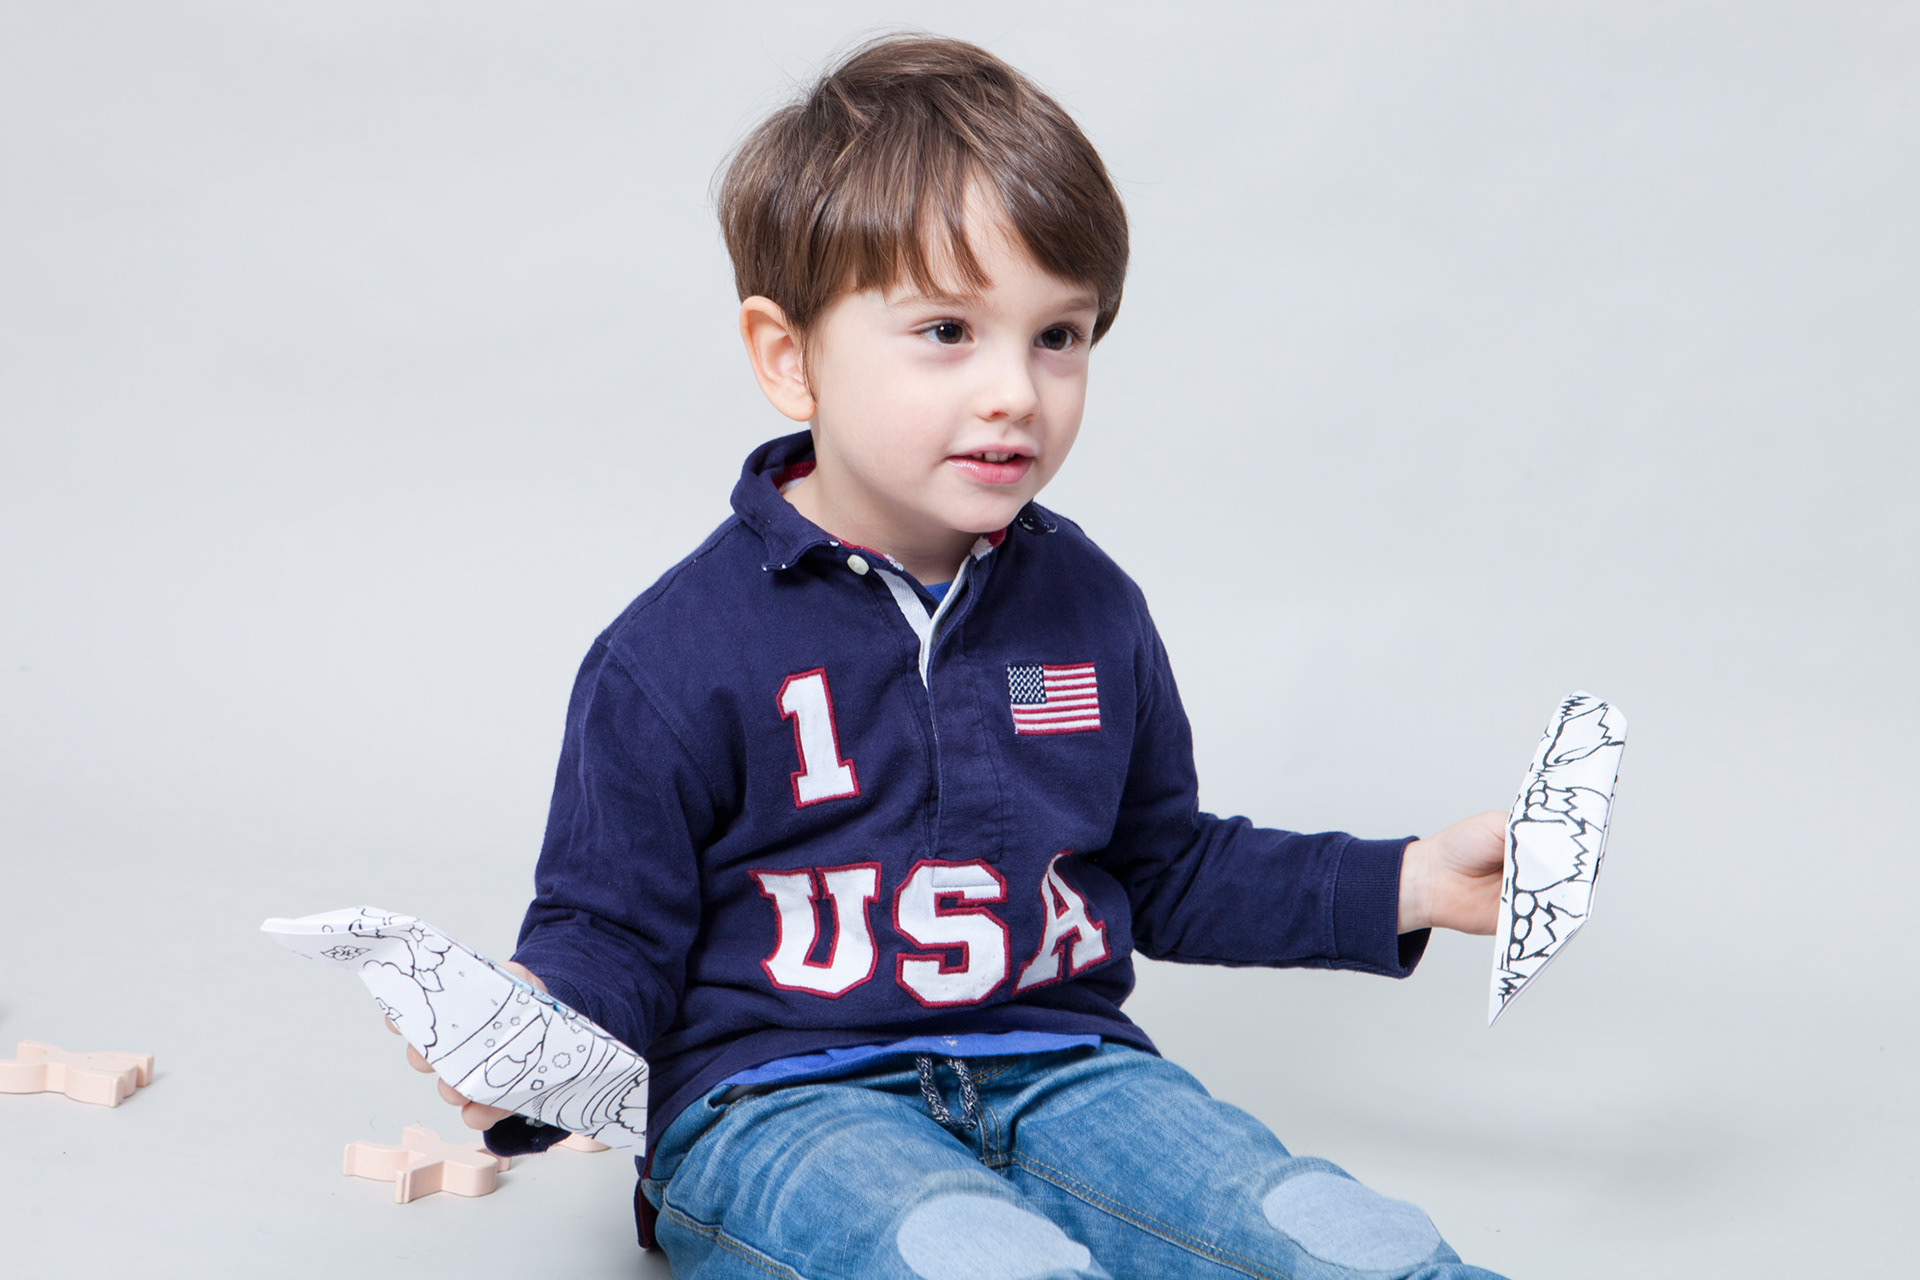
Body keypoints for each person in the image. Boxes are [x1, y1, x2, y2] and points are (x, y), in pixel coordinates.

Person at [404, 33, 1511, 1279]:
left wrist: (1414, 879)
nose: (1016, 392)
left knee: (1345, 1238)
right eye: (946, 329)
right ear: (788, 356)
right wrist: (531, 1042)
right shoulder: (670, 655)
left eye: (1059, 335)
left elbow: (1167, 864)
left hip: (1067, 1068)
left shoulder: (1092, 606)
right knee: (971, 1259)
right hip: (778, 1097)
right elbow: (611, 928)